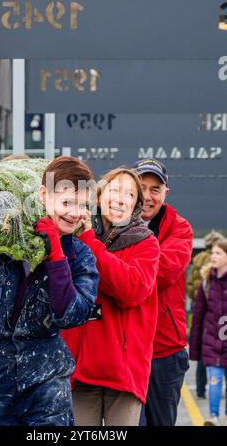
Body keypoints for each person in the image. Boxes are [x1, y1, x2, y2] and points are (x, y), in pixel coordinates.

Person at [0, 156, 99, 426]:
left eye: (82, 205)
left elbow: (72, 314)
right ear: (42, 196)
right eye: (66, 203)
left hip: (45, 382)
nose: (74, 213)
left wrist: (56, 256)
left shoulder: (80, 257)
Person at [62, 167, 160, 426]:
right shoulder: (72, 233)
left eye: (129, 195)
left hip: (123, 373)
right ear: (98, 197)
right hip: (79, 369)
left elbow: (132, 289)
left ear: (135, 206)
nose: (120, 199)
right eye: (115, 190)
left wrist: (89, 242)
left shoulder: (146, 243)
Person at [133, 158, 193, 426]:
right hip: (127, 349)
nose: (147, 196)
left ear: (165, 193)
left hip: (164, 349)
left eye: (155, 189)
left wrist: (125, 265)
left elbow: (164, 272)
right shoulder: (111, 222)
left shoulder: (180, 227)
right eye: (141, 187)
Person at [190, 240, 227, 426]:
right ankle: (213, 416)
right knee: (214, 379)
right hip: (212, 341)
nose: (213, 256)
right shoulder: (206, 282)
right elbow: (198, 317)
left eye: (219, 253)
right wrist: (195, 350)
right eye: (213, 252)